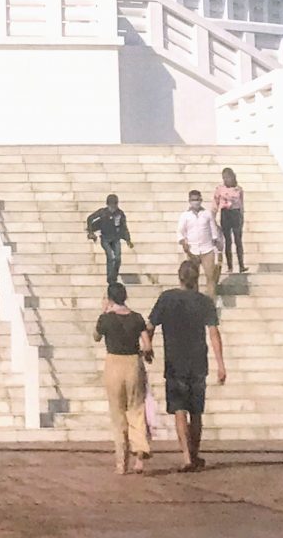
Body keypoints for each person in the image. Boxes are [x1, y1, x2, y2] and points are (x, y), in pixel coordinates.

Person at [149, 257, 226, 472]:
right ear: (197, 278)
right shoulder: (204, 302)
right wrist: (220, 364)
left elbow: (150, 325)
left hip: (174, 362)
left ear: (179, 278)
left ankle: (186, 456)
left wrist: (147, 347)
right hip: (198, 362)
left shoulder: (167, 298)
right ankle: (195, 452)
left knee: (180, 409)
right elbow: (213, 333)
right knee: (196, 412)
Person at [94, 281, 153, 474]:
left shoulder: (106, 319)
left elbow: (96, 336)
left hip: (113, 364)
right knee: (136, 409)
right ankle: (140, 454)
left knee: (117, 413)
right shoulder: (136, 318)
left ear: (110, 299)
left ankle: (121, 462)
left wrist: (104, 312)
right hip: (133, 363)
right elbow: (147, 344)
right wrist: (147, 354)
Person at [177, 188, 223, 297]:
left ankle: (211, 302)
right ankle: (194, 301)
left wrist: (218, 246)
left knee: (210, 277)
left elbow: (213, 231)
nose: (195, 202)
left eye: (197, 199)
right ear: (189, 201)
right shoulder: (185, 216)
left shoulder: (207, 214)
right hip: (192, 251)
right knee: (192, 278)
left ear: (201, 200)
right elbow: (180, 232)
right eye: (193, 200)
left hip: (207, 249)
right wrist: (184, 243)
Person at [85, 194, 132, 287]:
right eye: (111, 206)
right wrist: (91, 232)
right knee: (110, 257)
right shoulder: (103, 212)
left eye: (114, 206)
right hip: (105, 238)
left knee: (118, 258)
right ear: (108, 205)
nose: (113, 208)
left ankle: (114, 276)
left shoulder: (120, 214)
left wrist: (128, 239)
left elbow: (124, 227)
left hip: (116, 238)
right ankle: (110, 278)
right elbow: (90, 218)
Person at [215, 167, 247, 274]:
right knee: (228, 241)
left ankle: (241, 265)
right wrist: (213, 216)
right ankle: (230, 266)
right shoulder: (220, 188)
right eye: (224, 178)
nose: (226, 180)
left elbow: (241, 204)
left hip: (235, 213)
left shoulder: (238, 189)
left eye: (228, 177)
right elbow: (215, 202)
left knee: (238, 240)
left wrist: (242, 217)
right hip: (225, 214)